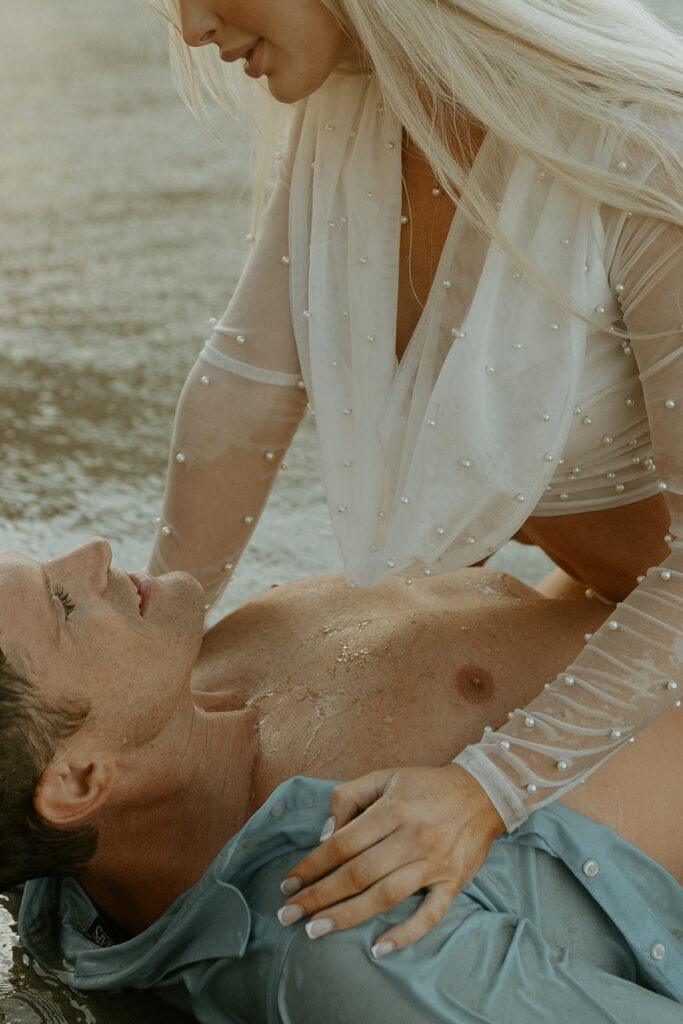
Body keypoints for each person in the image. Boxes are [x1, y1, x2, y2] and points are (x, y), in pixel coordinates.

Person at [146, 0, 683, 950]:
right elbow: (243, 393)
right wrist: (156, 643)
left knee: (415, 898)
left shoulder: (640, 149)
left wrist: (489, 787)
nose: (190, 27)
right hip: (613, 599)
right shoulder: (354, 116)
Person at [6, 539, 682, 1022]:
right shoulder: (341, 928)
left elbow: (525, 626)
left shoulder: (181, 681)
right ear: (79, 783)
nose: (90, 552)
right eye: (64, 604)